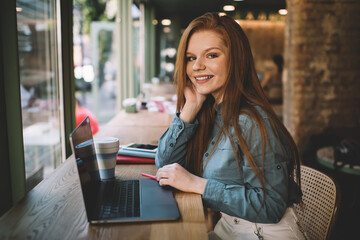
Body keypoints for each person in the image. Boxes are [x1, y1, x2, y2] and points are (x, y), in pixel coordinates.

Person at [155, 13, 305, 239]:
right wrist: (191, 106)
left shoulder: (251, 121)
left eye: (211, 55)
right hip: (230, 227)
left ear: (236, 59)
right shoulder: (212, 112)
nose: (197, 66)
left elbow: (271, 206)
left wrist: (198, 185)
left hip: (262, 232)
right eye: (190, 58)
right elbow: (166, 166)